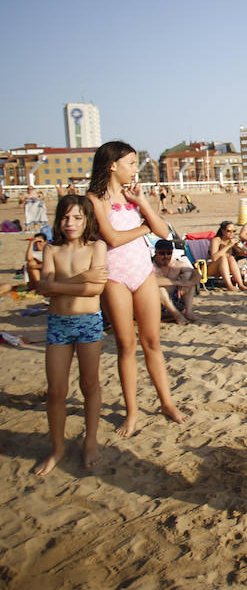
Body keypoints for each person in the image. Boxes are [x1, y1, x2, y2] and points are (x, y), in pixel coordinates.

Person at [86, 141, 188, 438]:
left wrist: (142, 203)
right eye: (130, 163)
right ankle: (132, 413)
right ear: (112, 165)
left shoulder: (132, 197)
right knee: (126, 345)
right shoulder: (95, 200)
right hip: (114, 276)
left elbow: (163, 231)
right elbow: (113, 239)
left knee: (152, 342)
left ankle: (166, 403)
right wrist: (144, 227)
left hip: (142, 273)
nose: (135, 168)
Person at [32, 195, 107, 476]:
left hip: (88, 322)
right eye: (65, 217)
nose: (70, 223)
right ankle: (57, 447)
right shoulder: (52, 249)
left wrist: (57, 285)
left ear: (87, 219)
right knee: (56, 390)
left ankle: (90, 441)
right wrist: (80, 278)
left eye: (77, 217)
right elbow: (45, 288)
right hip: (58, 323)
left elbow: (95, 290)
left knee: (89, 385)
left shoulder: (96, 246)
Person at [153, 239, 200, 324]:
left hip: (176, 300)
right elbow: (152, 281)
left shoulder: (177, 264)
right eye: (162, 253)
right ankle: (177, 315)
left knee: (188, 276)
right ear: (155, 252)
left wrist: (188, 284)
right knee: (159, 289)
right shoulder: (151, 265)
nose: (166, 256)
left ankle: (188, 312)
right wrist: (179, 282)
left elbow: (197, 274)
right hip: (156, 304)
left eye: (169, 253)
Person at [209, 221, 247, 291]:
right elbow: (214, 258)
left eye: (234, 231)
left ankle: (240, 284)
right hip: (213, 268)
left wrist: (240, 248)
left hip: (226, 268)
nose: (232, 233)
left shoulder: (231, 241)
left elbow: (244, 253)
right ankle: (229, 285)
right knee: (223, 258)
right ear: (223, 231)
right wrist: (228, 246)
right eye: (229, 231)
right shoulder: (216, 240)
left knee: (230, 258)